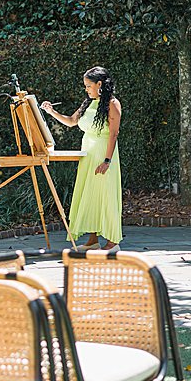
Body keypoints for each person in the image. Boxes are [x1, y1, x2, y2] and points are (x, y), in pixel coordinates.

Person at [41, 66, 123, 253]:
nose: (86, 89)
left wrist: (107, 161)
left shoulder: (112, 104)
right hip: (87, 155)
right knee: (89, 196)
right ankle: (92, 241)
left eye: (88, 85)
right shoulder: (88, 103)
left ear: (99, 84)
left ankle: (112, 243)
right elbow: (71, 121)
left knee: (105, 196)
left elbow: (113, 133)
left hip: (104, 155)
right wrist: (51, 111)